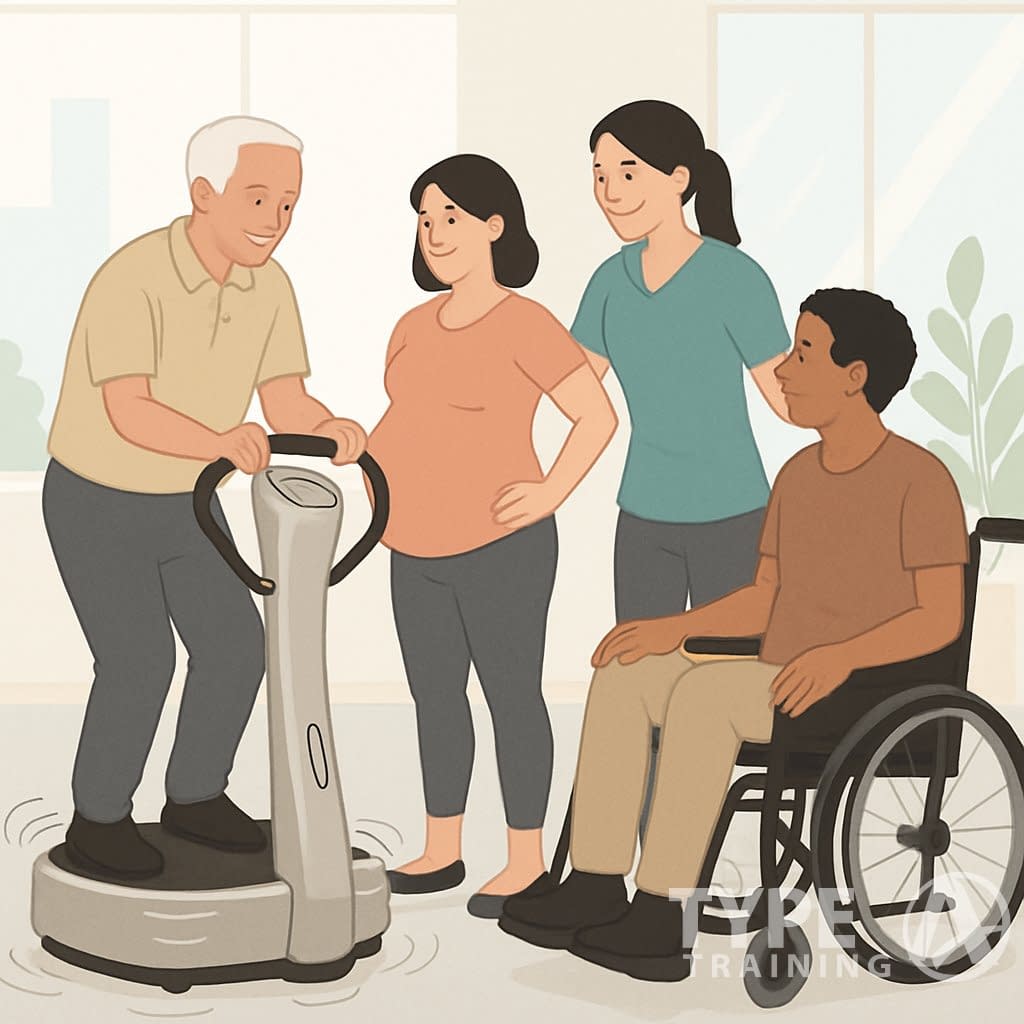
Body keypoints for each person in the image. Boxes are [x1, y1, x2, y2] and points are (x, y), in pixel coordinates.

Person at [499, 288, 969, 982]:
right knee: (629, 671)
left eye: (804, 353)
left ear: (856, 376)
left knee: (706, 695)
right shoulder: (798, 476)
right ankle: (597, 881)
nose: (782, 372)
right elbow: (764, 600)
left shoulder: (919, 479)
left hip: (870, 691)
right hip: (779, 677)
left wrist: (841, 656)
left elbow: (940, 619)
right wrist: (671, 628)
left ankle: (663, 913)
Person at [44, 115, 368, 880]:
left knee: (232, 647)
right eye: (258, 200)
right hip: (98, 497)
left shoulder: (270, 287)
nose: (276, 222)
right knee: (139, 662)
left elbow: (285, 398)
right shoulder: (132, 277)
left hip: (185, 503)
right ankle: (98, 818)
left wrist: (330, 428)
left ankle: (193, 797)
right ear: (203, 194)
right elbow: (130, 410)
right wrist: (221, 442)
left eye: (289, 204)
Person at [368, 154, 617, 918]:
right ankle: (443, 848)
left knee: (510, 696)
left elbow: (596, 418)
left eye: (452, 218)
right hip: (412, 546)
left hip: (500, 547)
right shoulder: (411, 327)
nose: (435, 233)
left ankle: (523, 859)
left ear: (494, 227)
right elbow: (404, 422)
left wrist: (548, 493)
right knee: (434, 697)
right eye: (425, 219)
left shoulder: (525, 322)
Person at [573, 99, 793, 625]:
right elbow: (569, 389)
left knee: (728, 680)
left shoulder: (735, 278)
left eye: (628, 173)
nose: (611, 192)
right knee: (639, 680)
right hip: (644, 518)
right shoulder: (608, 282)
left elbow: (788, 401)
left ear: (679, 178)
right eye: (600, 176)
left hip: (734, 516)